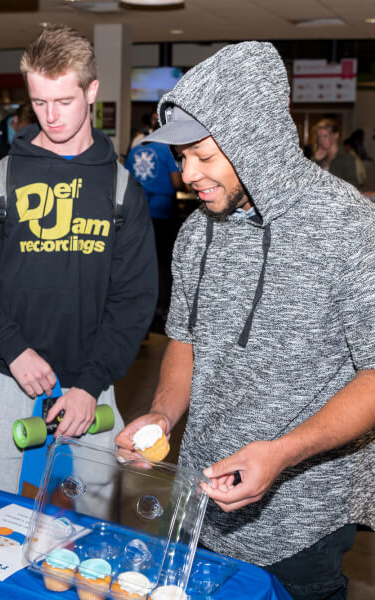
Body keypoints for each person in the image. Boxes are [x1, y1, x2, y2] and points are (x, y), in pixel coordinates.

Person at [115, 41, 375, 600]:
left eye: (203, 156)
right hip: (197, 497)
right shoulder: (195, 233)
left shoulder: (350, 226)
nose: (188, 174)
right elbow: (184, 340)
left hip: (302, 519)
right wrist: (162, 414)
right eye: (181, 157)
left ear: (256, 143)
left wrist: (282, 453)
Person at [0, 24, 157, 496]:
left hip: (90, 383)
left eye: (64, 101)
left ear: (91, 91)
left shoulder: (122, 189)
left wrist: (91, 383)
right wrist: (13, 350)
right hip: (4, 376)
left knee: (94, 517)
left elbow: (133, 299)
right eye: (39, 102)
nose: (51, 116)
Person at [125, 139, 182, 321]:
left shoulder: (134, 150)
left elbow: (125, 182)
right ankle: (162, 306)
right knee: (164, 262)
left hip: (138, 211)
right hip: (162, 212)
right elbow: (177, 183)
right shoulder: (167, 150)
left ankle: (140, 305)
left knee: (140, 260)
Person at [312, 118, 359, 186]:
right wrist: (316, 160)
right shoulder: (320, 157)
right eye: (319, 137)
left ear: (336, 135)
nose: (321, 140)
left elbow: (353, 185)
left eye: (325, 136)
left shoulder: (346, 158)